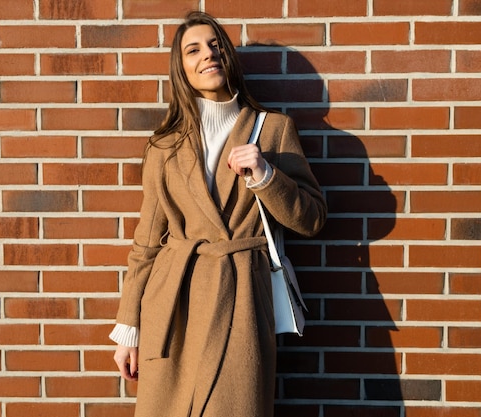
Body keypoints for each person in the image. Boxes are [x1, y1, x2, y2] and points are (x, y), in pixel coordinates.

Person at [109, 11, 327, 417]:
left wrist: (265, 175)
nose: (207, 54)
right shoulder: (164, 145)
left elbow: (311, 218)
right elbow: (146, 243)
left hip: (241, 298)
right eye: (193, 49)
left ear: (228, 57)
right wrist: (128, 330)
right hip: (174, 307)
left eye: (215, 45)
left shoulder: (273, 130)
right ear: (182, 69)